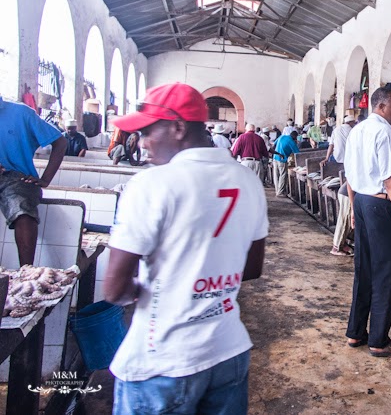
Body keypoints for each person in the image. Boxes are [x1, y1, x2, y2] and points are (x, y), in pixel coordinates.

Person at [103, 83, 269, 415]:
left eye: (149, 130)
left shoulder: (151, 184)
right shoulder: (248, 181)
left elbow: (113, 289)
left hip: (165, 358)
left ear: (179, 127)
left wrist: (142, 290)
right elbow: (251, 268)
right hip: (228, 352)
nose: (142, 142)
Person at [344, 87, 391, 357]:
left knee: (364, 268)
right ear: (382, 106)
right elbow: (389, 180)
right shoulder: (384, 131)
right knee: (386, 272)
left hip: (362, 201)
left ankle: (356, 333)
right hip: (382, 205)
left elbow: (349, 175)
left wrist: (353, 208)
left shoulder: (357, 130)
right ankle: (379, 340)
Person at [0, 96, 67, 266]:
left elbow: (60, 142)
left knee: (22, 209)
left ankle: (27, 272)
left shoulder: (21, 113)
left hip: (16, 177)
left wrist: (46, 179)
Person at [273, 130, 300, 197]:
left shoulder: (282, 136)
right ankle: (280, 192)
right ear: (295, 137)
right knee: (283, 175)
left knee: (276, 175)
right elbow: (298, 153)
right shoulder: (291, 142)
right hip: (282, 159)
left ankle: (277, 190)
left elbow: (274, 144)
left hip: (275, 157)